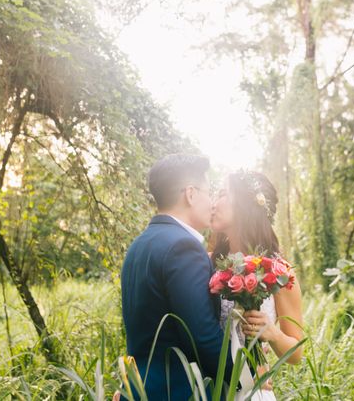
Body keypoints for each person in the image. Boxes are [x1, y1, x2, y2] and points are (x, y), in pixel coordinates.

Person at [119, 154, 233, 400]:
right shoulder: (183, 247)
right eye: (208, 191)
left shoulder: (137, 246)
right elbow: (202, 335)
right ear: (190, 194)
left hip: (139, 390)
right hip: (180, 391)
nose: (211, 202)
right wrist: (244, 376)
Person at [210, 170, 304, 400]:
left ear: (243, 205)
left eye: (223, 194)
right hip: (211, 387)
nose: (214, 202)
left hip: (254, 391)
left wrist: (272, 333)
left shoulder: (280, 272)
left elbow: (296, 354)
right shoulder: (209, 262)